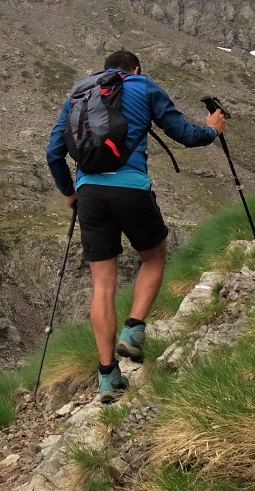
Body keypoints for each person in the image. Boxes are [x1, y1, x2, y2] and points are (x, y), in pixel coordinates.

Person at [45, 49, 226, 402]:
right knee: (154, 256)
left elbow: (54, 152)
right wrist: (212, 130)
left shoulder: (80, 94)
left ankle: (107, 377)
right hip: (130, 188)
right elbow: (183, 134)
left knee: (102, 285)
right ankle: (133, 330)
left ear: (104, 71)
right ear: (136, 68)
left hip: (90, 194)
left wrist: (70, 192)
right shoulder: (143, 86)